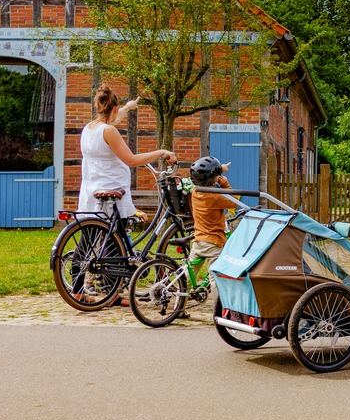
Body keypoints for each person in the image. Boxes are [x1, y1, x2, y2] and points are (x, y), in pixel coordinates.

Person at [78, 85, 177, 220]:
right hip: (112, 190)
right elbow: (131, 160)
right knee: (116, 236)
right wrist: (161, 152)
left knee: (95, 237)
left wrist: (129, 107)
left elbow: (115, 118)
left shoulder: (88, 128)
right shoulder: (109, 131)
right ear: (115, 108)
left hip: (91, 191)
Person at [186, 156, 233, 279]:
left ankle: (182, 295)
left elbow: (204, 175)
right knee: (216, 276)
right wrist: (225, 185)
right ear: (212, 179)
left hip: (198, 240)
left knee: (189, 274)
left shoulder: (195, 192)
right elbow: (233, 201)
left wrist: (220, 169)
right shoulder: (214, 197)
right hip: (213, 242)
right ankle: (214, 299)